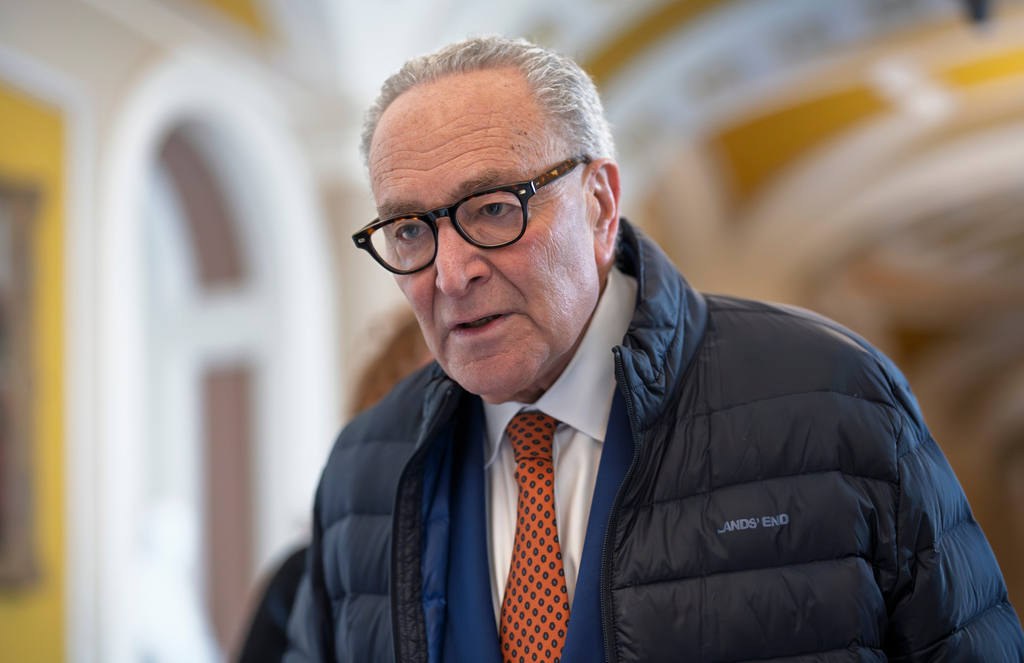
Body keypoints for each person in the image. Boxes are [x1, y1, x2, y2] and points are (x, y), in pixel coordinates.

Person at [285, 36, 1024, 662]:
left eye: (491, 209)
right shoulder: (362, 471)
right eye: (411, 230)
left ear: (600, 204)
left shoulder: (832, 397)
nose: (451, 272)